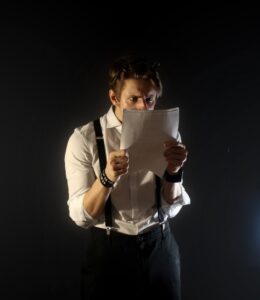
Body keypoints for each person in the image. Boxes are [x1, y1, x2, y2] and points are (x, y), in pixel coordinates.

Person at [64, 55, 190, 300]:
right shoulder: (84, 139)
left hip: (159, 245)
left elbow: (171, 206)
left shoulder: (169, 135)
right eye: (134, 99)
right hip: (109, 252)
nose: (144, 107)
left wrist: (174, 172)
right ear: (114, 97)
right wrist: (107, 177)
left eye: (150, 99)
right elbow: (81, 217)